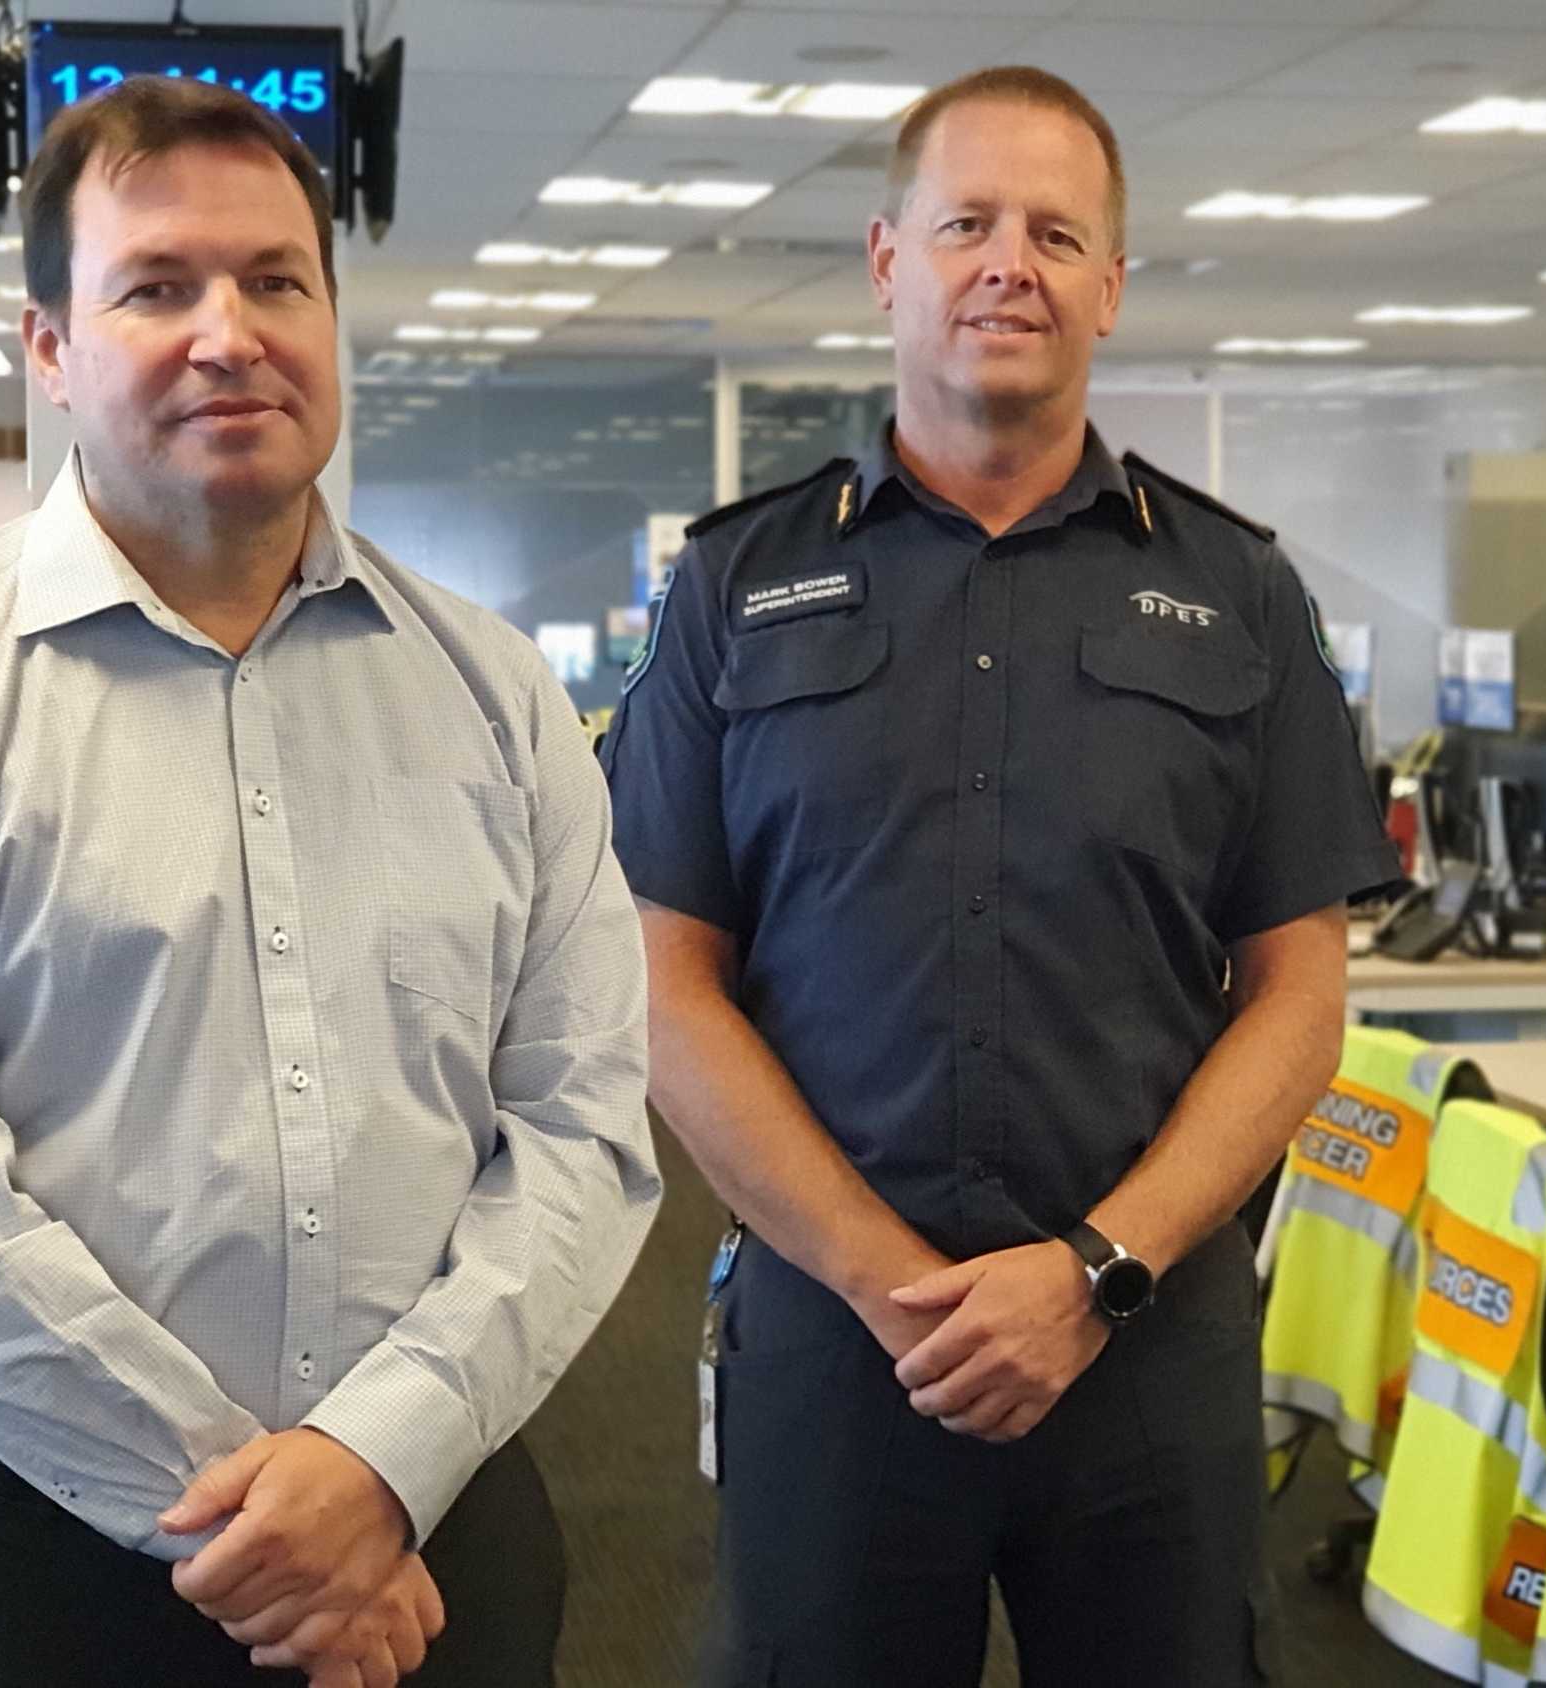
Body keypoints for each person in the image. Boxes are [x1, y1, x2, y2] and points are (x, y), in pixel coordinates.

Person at [0, 77, 656, 1688]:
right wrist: (273, 1530)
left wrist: (380, 1462)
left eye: (275, 280)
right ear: (50, 350)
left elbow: (582, 1129)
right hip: (31, 1576)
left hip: (439, 1536)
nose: (227, 331)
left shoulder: (497, 697)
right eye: (156, 287)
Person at [599, 64, 1402, 1687]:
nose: (1007, 264)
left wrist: (1096, 1273)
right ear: (890, 259)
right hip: (839, 1347)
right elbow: (657, 981)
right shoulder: (734, 587)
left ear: (1112, 284)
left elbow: (1301, 995)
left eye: (1055, 232)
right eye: (966, 222)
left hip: (1148, 1345)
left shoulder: (1237, 593)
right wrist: (883, 1279)